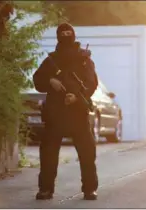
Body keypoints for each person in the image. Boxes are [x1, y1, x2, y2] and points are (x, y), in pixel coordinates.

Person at [33, 23, 99, 200]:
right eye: (63, 33)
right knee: (48, 154)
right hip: (55, 113)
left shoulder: (84, 59)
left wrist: (78, 97)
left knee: (87, 153)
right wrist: (51, 81)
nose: (66, 35)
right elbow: (37, 80)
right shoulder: (51, 60)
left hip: (78, 112)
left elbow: (92, 82)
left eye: (69, 33)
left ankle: (89, 189)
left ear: (74, 35)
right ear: (58, 36)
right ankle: (46, 189)